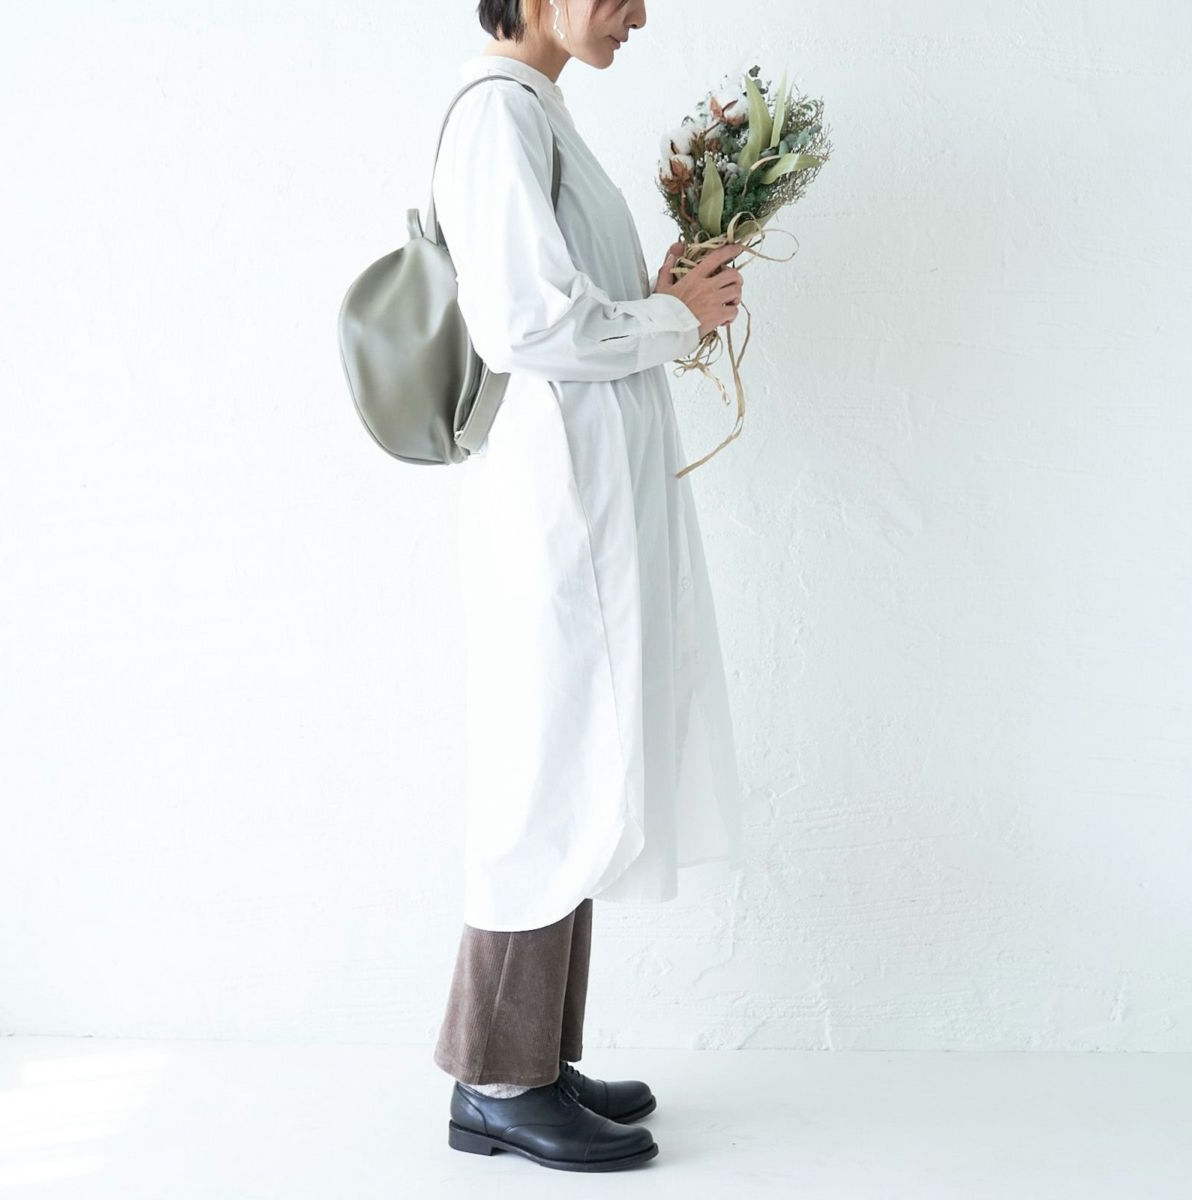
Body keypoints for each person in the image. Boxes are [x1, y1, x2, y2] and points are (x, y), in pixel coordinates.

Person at [430, 0, 746, 1172]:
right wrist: (671, 318)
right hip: (556, 503)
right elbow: (523, 325)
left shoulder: (537, 110)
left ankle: (535, 1063)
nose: (640, 12)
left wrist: (660, 293)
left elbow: (571, 299)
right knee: (544, 779)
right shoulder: (497, 116)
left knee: (574, 766)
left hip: (585, 498)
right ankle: (495, 1080)